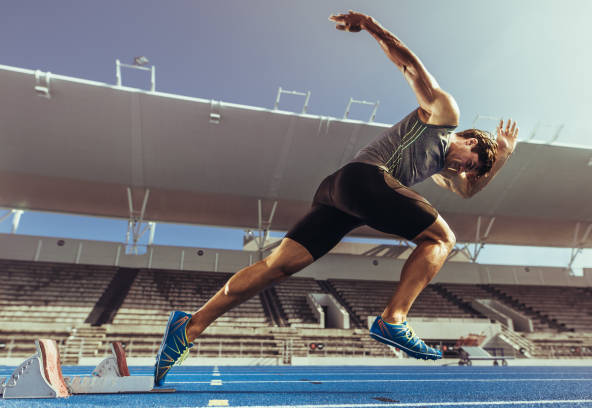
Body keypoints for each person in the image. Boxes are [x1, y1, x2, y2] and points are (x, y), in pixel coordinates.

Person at [153, 11, 518, 386]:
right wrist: (372, 27)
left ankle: (189, 327)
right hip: (363, 179)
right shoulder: (443, 116)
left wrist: (503, 156)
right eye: (468, 164)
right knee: (442, 238)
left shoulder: (442, 169)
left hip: (337, 195)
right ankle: (393, 319)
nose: (461, 172)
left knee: (277, 266)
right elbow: (410, 66)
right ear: (471, 141)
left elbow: (469, 190)